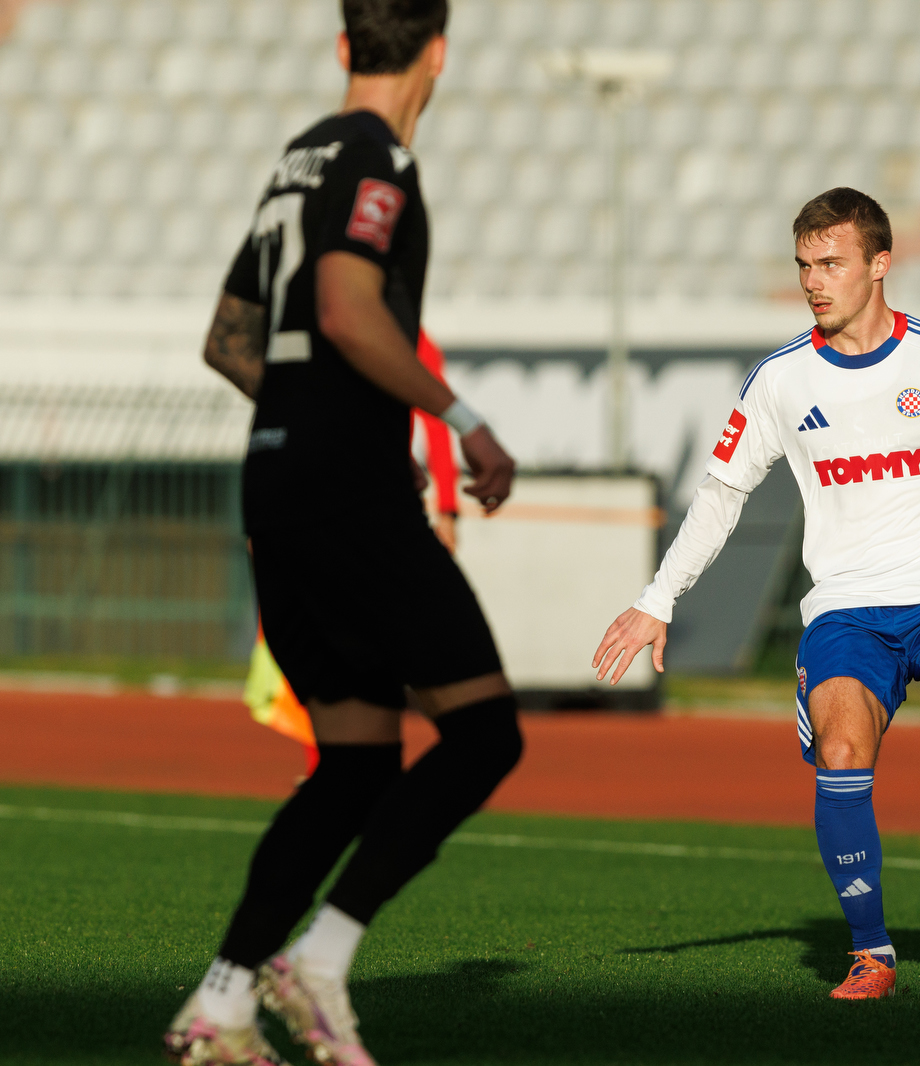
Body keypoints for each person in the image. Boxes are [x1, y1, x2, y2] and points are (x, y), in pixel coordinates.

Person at [593, 187, 920, 1001]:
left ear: (880, 264)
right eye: (803, 266)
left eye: (831, 263)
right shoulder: (779, 381)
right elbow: (720, 495)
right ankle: (871, 953)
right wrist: (659, 597)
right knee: (844, 750)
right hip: (848, 609)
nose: (814, 282)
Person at [164, 3, 523, 1064]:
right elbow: (345, 307)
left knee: (355, 763)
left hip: (276, 487)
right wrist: (458, 420)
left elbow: (230, 340)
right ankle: (317, 955)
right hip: (349, 500)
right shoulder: (377, 162)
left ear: (341, 47)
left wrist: (329, 419)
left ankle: (220, 1006)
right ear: (438, 52)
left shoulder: (298, 159)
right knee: (484, 732)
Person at [243, 327, 462, 780]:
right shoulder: (317, 331)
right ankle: (333, 768)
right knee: (321, 646)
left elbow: (436, 418)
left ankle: (349, 769)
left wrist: (447, 509)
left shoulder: (402, 336)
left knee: (364, 646)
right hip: (320, 507)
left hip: (367, 510)